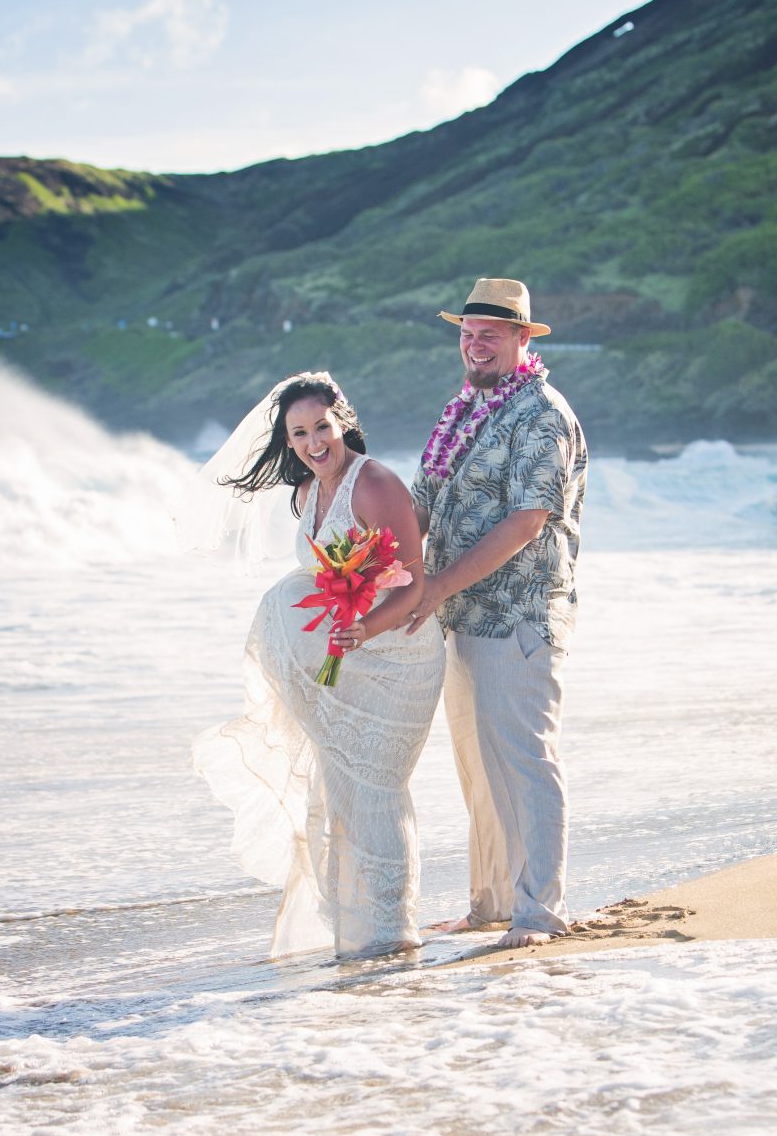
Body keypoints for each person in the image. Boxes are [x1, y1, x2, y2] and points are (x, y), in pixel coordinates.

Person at [188, 372, 444, 959]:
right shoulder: (305, 494)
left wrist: (363, 628)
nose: (313, 442)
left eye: (321, 427)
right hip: (352, 660)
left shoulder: (374, 483)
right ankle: (357, 933)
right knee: (341, 788)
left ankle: (391, 933)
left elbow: (414, 587)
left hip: (398, 656)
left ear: (343, 421)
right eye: (298, 433)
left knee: (376, 786)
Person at [407, 279, 587, 949]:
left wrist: (436, 584)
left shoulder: (540, 413)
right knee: (477, 767)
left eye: (490, 334)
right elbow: (423, 495)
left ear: (520, 339)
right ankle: (489, 905)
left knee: (524, 759)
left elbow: (527, 521)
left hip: (520, 615)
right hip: (458, 611)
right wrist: (378, 561)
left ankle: (539, 913)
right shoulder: (463, 410)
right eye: (467, 332)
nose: (474, 344)